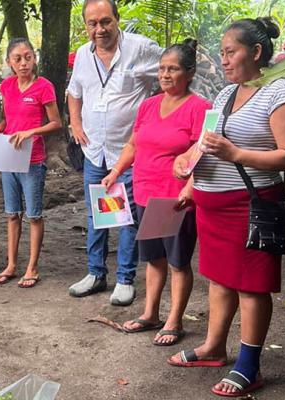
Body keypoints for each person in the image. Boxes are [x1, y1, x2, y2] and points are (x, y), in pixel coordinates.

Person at [169, 18, 285, 397]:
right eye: (223, 53)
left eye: (231, 52)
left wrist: (237, 154)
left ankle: (249, 365)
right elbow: (206, 145)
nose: (224, 61)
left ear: (257, 52)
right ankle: (214, 347)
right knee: (220, 279)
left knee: (250, 287)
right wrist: (188, 170)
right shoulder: (227, 95)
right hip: (213, 208)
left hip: (251, 207)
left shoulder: (280, 94)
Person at [102, 39, 210, 345]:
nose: (165, 74)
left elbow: (202, 153)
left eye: (173, 69)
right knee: (154, 259)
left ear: (189, 74)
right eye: (162, 68)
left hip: (175, 198)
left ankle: (174, 321)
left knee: (177, 261)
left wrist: (189, 188)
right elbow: (134, 144)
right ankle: (150, 313)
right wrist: (115, 172)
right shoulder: (149, 105)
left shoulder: (198, 108)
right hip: (145, 194)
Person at [67, 0, 163, 305]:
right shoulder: (83, 54)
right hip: (95, 150)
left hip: (130, 151)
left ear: (117, 19)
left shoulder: (142, 48)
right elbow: (74, 92)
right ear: (85, 25)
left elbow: (171, 76)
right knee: (98, 213)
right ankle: (96, 273)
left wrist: (154, 124)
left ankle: (125, 278)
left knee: (127, 216)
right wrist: (76, 123)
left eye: (105, 22)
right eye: (92, 23)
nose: (100, 29)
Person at [0, 38, 61, 288]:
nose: (23, 63)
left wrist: (32, 133)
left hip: (34, 160)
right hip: (9, 158)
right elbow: (8, 120)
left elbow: (56, 123)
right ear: (9, 62)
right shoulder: (7, 86)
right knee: (12, 215)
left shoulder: (44, 87)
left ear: (34, 59)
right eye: (17, 58)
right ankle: (11, 265)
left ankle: (32, 267)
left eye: (28, 57)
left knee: (33, 215)